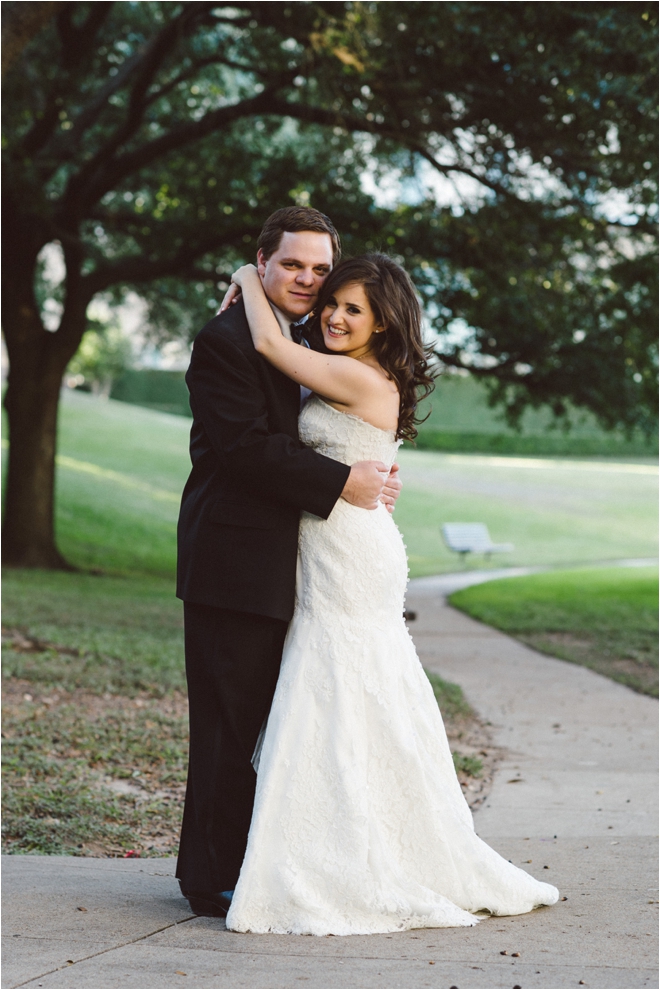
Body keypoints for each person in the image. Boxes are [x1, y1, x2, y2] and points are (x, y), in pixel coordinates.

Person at [223, 253, 559, 935]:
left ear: (382, 324)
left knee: (340, 683)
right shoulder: (363, 375)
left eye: (354, 309)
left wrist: (242, 277)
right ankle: (337, 841)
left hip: (350, 554)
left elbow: (264, 341)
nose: (335, 316)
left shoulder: (358, 375)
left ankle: (353, 853)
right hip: (344, 539)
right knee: (348, 691)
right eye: (333, 303)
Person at [175, 208, 402, 917]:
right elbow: (244, 448)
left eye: (318, 269)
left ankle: (271, 860)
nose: (308, 280)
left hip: (310, 563)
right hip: (235, 562)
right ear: (263, 261)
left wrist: (365, 471)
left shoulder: (304, 338)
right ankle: (208, 877)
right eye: (291, 265)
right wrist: (341, 482)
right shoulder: (225, 340)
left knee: (292, 722)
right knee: (228, 723)